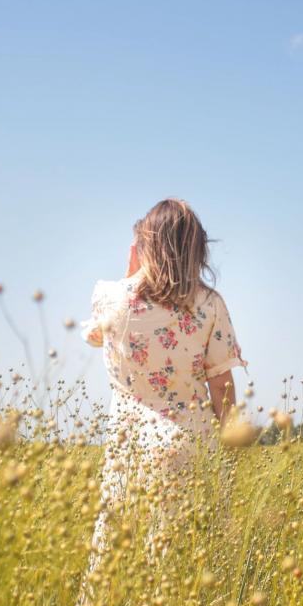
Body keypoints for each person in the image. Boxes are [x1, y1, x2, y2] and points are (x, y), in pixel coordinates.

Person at [80, 198, 247, 573]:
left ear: (143, 245)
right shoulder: (210, 304)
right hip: (193, 443)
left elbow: (93, 337)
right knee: (188, 562)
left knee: (115, 555)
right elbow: (221, 383)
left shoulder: (111, 296)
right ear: (196, 250)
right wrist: (230, 451)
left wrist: (129, 276)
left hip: (130, 446)